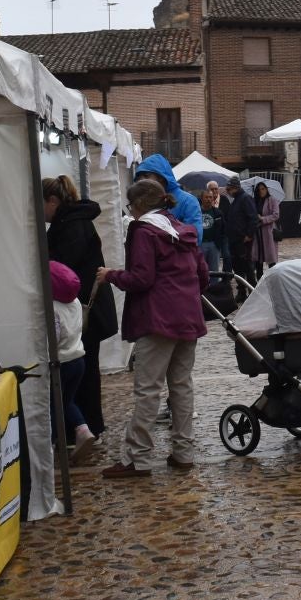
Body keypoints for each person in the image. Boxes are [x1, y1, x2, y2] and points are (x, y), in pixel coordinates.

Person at [97, 178, 209, 478]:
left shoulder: (143, 231)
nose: (130, 213)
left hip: (158, 319)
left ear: (140, 205)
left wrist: (111, 275)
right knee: (182, 388)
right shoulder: (184, 230)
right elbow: (203, 275)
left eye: (130, 207)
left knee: (148, 391)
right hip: (188, 317)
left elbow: (142, 278)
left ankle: (139, 459)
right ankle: (183, 453)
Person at [47, 174, 117, 443]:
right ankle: (85, 426)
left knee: (83, 373)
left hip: (84, 313)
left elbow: (65, 268)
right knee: (86, 370)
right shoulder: (73, 221)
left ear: (53, 201)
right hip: (87, 311)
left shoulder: (72, 225)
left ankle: (84, 428)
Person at [49, 260, 93, 457]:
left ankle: (48, 445)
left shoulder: (52, 307)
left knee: (50, 405)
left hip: (60, 363)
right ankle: (82, 429)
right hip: (78, 358)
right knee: (66, 402)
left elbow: (53, 339)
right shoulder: (74, 302)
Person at [136, 153, 204, 243]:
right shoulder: (145, 201)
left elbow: (195, 238)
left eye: (146, 175)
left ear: (161, 177)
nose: (141, 180)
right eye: (139, 177)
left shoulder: (188, 201)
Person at [222, 177, 262, 284]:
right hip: (234, 240)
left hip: (242, 240)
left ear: (235, 188)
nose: (228, 192)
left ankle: (252, 291)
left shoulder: (245, 198)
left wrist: (249, 235)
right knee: (237, 268)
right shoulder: (236, 200)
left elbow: (253, 218)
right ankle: (242, 292)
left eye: (229, 189)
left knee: (247, 267)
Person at [197, 181, 228, 275]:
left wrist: (220, 244)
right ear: (201, 199)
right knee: (200, 271)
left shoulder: (218, 213)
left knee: (214, 271)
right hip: (200, 244)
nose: (208, 199)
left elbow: (223, 229)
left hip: (214, 245)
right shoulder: (196, 212)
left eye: (210, 197)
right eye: (206, 197)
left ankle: (214, 289)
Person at [253, 181, 281, 273]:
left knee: (270, 258)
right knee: (258, 258)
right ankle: (259, 279)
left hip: (268, 232)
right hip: (257, 232)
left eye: (263, 189)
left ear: (266, 189)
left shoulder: (272, 200)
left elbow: (276, 215)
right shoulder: (255, 201)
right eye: (259, 189)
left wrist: (263, 219)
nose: (261, 191)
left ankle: (273, 278)